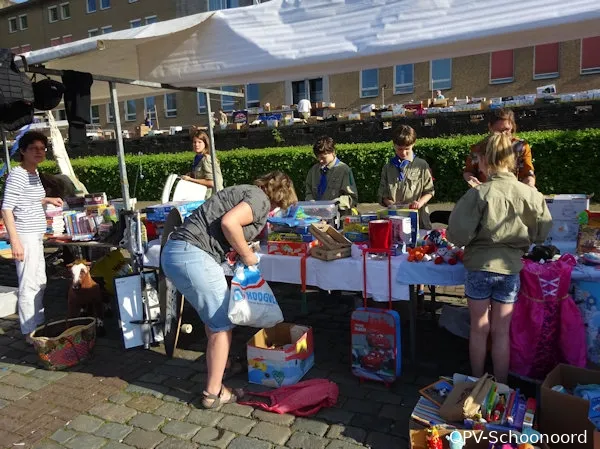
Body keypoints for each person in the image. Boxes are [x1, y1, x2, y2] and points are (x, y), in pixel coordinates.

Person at [161, 171, 298, 408]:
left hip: (176, 252)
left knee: (212, 316)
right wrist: (248, 255)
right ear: (279, 196)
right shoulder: (259, 199)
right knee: (222, 325)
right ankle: (214, 393)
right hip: (193, 254)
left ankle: (223, 365)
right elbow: (229, 223)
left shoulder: (245, 190)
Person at [447, 132, 552, 384]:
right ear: (513, 161)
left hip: (480, 267)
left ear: (485, 160)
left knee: (478, 328)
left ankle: (476, 382)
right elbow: (543, 231)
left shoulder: (479, 193)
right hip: (510, 268)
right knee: (501, 331)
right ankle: (502, 387)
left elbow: (457, 234)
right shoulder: (530, 194)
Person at [1, 131, 64, 344]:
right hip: (25, 236)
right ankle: (29, 331)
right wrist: (15, 241)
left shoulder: (34, 174)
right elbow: (7, 208)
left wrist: (46, 199)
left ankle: (38, 322)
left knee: (40, 281)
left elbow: (27, 200)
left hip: (36, 235)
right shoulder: (17, 175)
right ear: (22, 151)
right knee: (28, 283)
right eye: (34, 148)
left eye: (42, 148)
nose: (39, 152)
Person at [378, 125, 435, 229]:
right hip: (395, 219)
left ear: (413, 144)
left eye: (407, 149)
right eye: (399, 149)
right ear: (394, 145)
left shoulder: (422, 165)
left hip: (419, 219)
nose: (403, 153)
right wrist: (393, 205)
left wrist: (419, 203)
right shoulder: (387, 167)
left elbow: (429, 191)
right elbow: (383, 194)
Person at [464, 108, 535, 188]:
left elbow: (528, 173)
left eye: (506, 130)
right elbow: (469, 171)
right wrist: (472, 180)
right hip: (486, 191)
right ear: (490, 127)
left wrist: (530, 183)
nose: (503, 134)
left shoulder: (521, 147)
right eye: (498, 131)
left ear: (512, 126)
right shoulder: (479, 148)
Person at [305, 136, 358, 214]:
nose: (320, 160)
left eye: (323, 157)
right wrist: (311, 202)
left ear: (333, 152)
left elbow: (352, 198)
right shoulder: (313, 171)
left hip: (338, 216)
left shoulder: (344, 170)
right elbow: (308, 192)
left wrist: (334, 205)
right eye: (318, 157)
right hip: (317, 216)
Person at [180, 129, 223, 199]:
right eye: (194, 142)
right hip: (204, 197)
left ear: (205, 144)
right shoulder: (197, 158)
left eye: (199, 142)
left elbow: (212, 182)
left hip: (213, 199)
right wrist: (192, 174)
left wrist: (190, 179)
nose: (196, 145)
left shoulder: (206, 159)